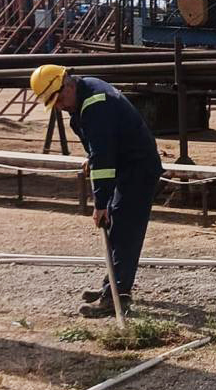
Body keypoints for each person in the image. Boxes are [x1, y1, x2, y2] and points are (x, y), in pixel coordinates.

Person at [29, 65, 164, 317]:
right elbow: (103, 145)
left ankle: (116, 297)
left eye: (59, 99)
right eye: (54, 103)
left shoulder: (94, 105)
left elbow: (104, 157)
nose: (59, 106)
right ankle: (111, 285)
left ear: (67, 84)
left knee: (124, 230)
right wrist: (93, 158)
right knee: (117, 228)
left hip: (137, 169)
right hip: (127, 164)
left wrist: (100, 203)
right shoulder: (86, 91)